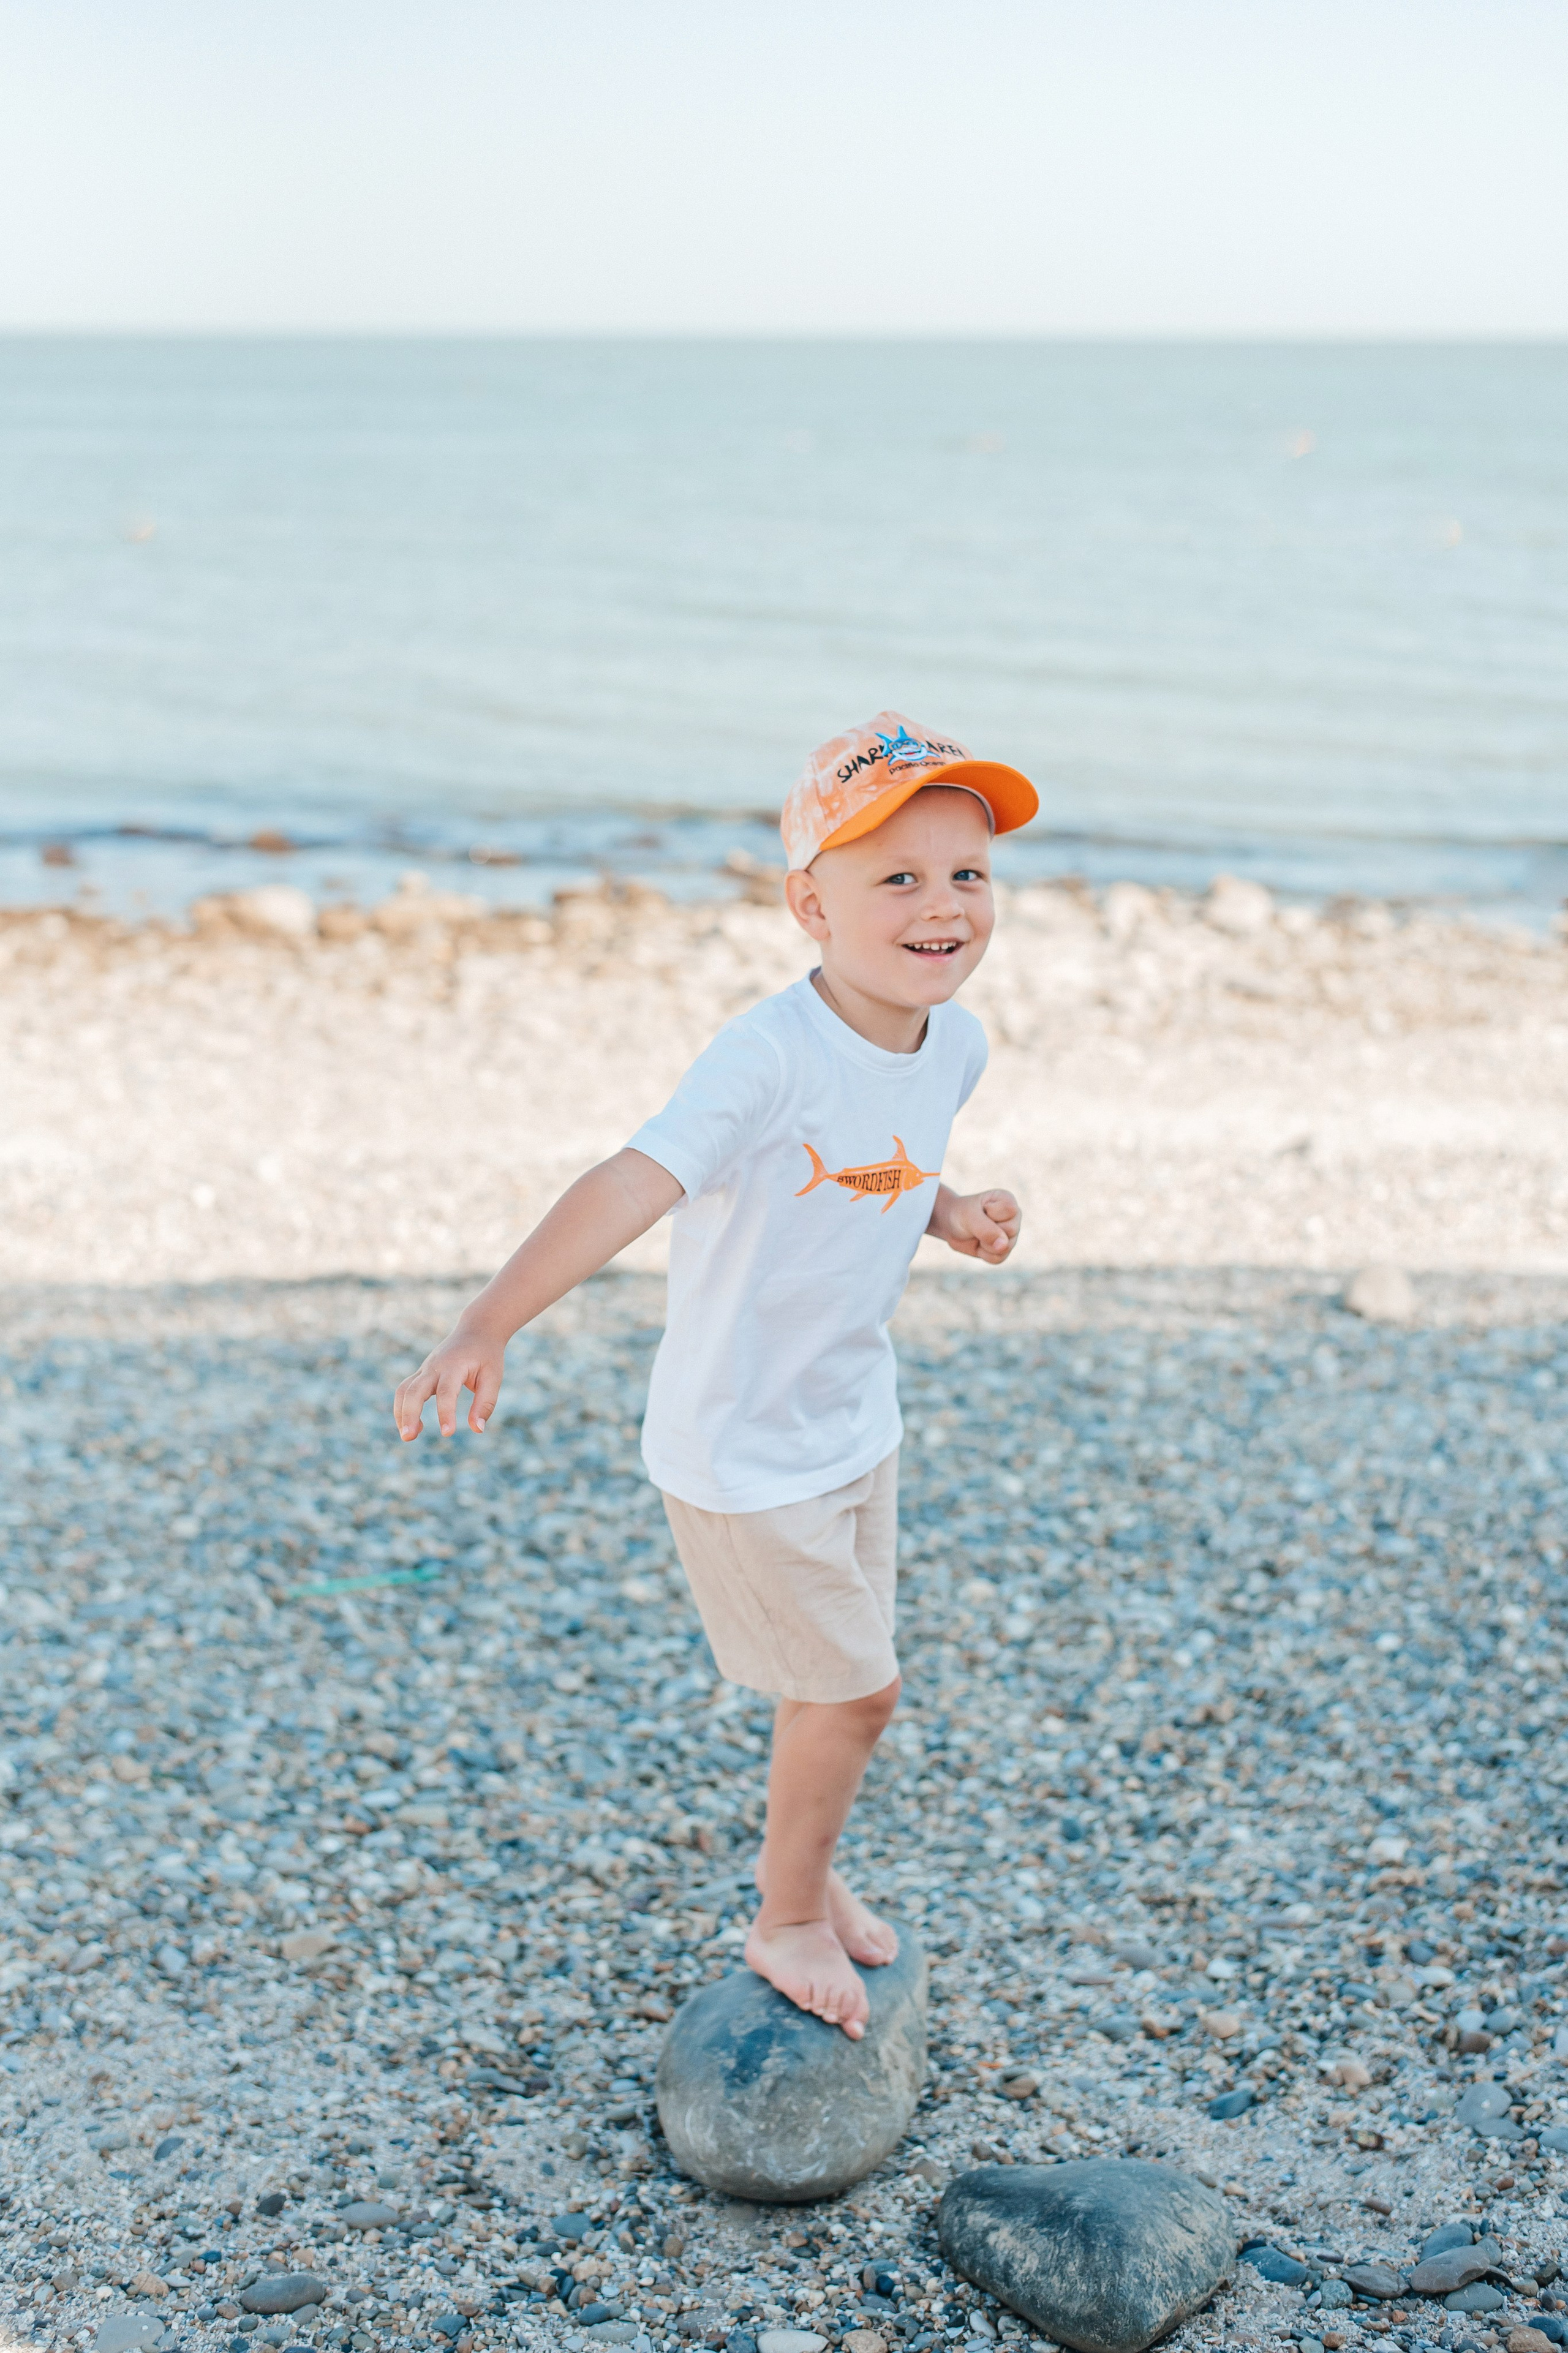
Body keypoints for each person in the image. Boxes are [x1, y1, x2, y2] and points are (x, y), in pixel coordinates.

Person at [393, 713, 1036, 2037]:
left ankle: (806, 1853)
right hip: (745, 1450)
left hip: (853, 1422)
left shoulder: (953, 1041)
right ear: (811, 904)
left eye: (966, 873)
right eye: (897, 877)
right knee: (858, 1690)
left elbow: (875, 1165)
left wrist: (949, 1210)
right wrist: (486, 1323)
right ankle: (785, 1914)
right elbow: (631, 1183)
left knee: (828, 1684)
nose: (942, 906)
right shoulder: (765, 1055)